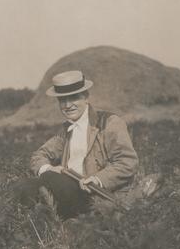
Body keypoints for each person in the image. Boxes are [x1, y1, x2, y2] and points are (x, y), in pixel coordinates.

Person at [14, 69, 138, 220]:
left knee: (53, 181)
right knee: (23, 185)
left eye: (73, 98)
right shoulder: (66, 130)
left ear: (86, 97)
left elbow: (127, 162)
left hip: (97, 195)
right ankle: (40, 233)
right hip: (66, 191)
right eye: (62, 100)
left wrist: (97, 179)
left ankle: (60, 229)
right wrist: (49, 168)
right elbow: (39, 155)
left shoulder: (109, 123)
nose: (67, 105)